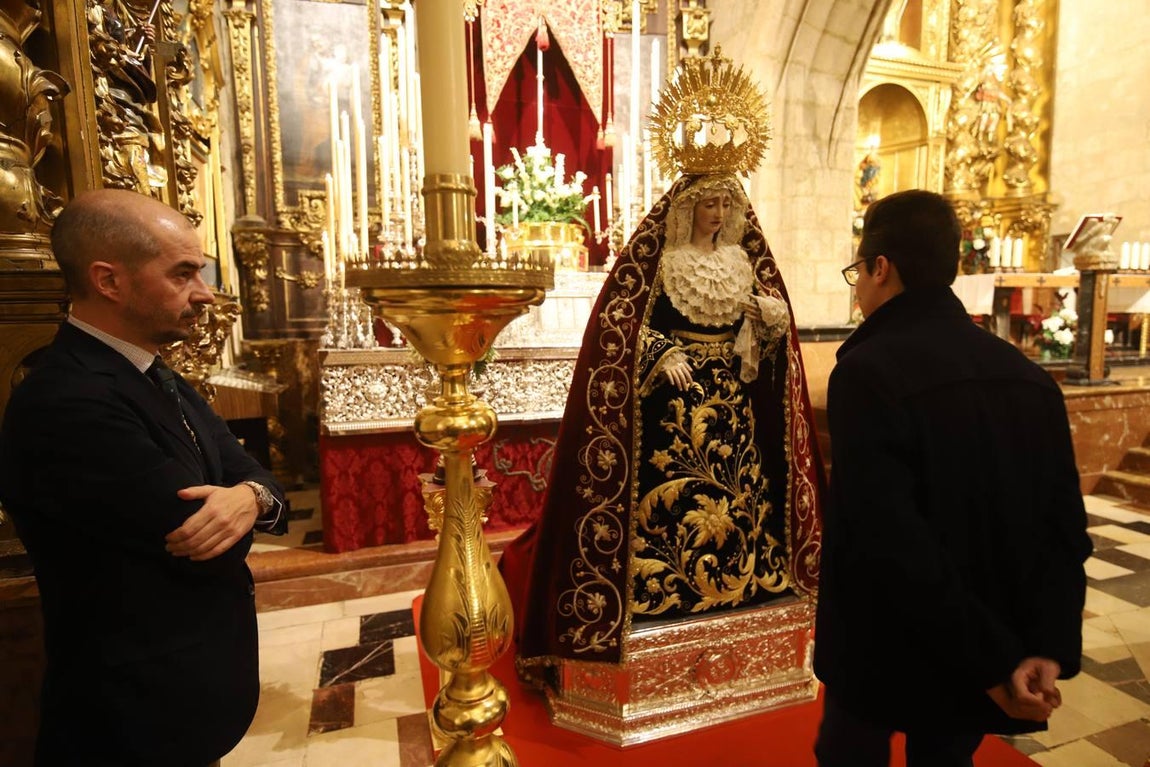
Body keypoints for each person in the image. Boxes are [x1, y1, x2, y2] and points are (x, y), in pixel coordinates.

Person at [0, 188, 287, 767]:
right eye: (183, 274)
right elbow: (196, 538)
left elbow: (252, 475)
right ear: (109, 281)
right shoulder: (66, 399)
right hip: (130, 712)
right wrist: (243, 502)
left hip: (180, 696)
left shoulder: (151, 371)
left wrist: (249, 497)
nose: (205, 294)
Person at [500, 171, 824, 672]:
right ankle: (657, 591)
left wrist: (768, 313)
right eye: (707, 203)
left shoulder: (741, 261)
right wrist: (658, 351)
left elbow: (770, 331)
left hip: (733, 403)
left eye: (723, 203)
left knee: (740, 492)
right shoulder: (663, 263)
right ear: (686, 209)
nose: (716, 213)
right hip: (674, 407)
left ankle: (743, 582)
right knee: (672, 500)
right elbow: (623, 322)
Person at [814, 189, 1092, 767]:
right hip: (986, 649)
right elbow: (1064, 532)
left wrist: (991, 664)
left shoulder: (868, 373)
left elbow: (890, 541)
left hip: (883, 651)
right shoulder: (1029, 378)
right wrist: (1046, 649)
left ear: (881, 268)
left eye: (856, 273)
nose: (858, 287)